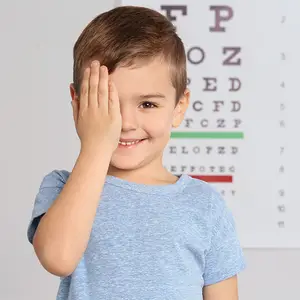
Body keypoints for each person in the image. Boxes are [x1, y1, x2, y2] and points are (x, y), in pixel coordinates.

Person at [27, 5, 246, 300]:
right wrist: (96, 145)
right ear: (77, 103)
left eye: (147, 104)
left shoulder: (204, 207)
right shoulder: (62, 187)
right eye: (108, 104)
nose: (126, 123)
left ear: (179, 107)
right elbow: (58, 257)